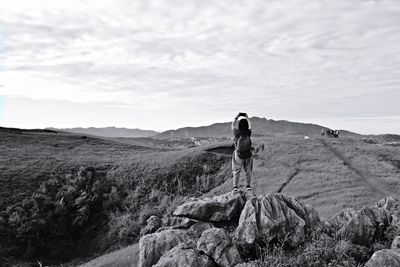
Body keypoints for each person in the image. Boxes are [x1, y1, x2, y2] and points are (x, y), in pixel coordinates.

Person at [231, 112, 253, 192]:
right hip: (248, 155)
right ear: (246, 124)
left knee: (236, 170)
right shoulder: (248, 132)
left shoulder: (236, 133)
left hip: (239, 155)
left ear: (239, 125)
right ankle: (248, 186)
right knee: (248, 170)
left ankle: (235, 187)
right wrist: (247, 117)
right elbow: (250, 126)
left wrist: (236, 118)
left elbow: (233, 125)